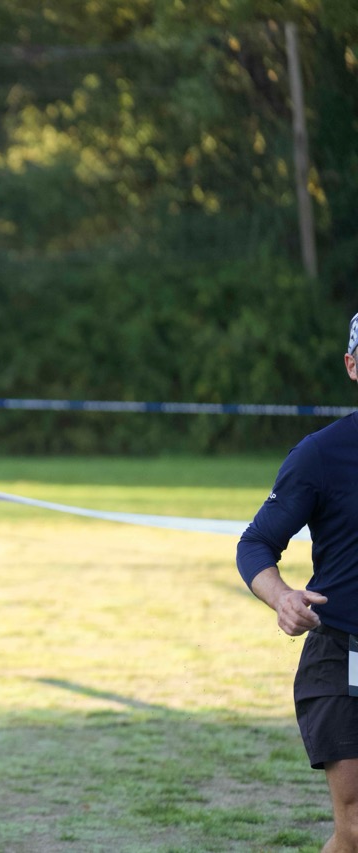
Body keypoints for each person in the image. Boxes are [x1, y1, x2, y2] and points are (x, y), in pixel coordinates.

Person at [236, 310, 358, 853]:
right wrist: (282, 596)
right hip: (342, 653)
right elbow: (255, 544)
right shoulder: (320, 455)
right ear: (352, 366)